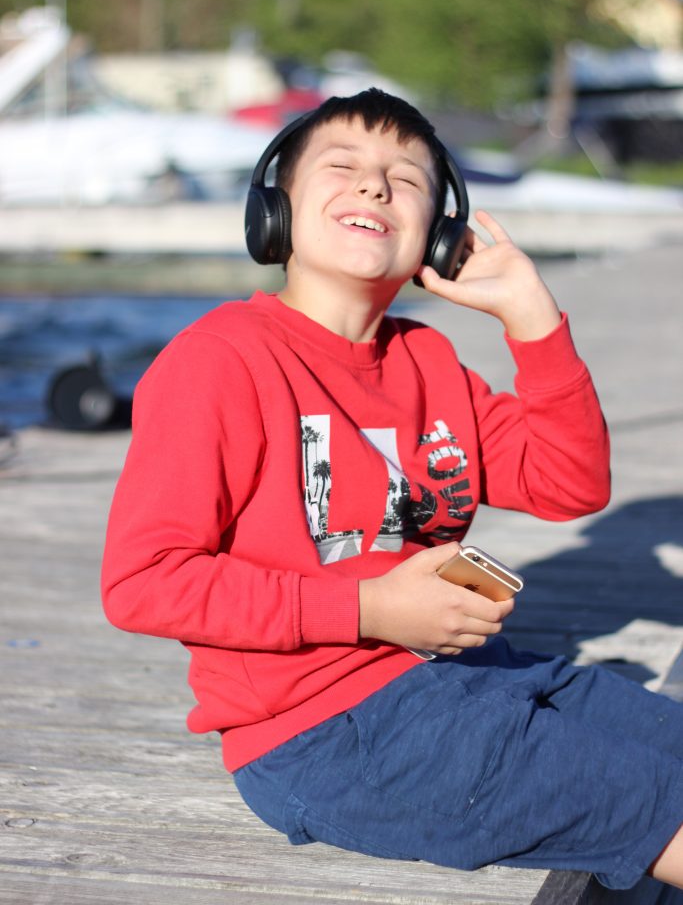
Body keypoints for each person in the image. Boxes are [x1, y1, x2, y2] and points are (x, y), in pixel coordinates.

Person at [101, 88, 683, 892]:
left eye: (406, 179)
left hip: (473, 676)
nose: (375, 185)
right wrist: (367, 608)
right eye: (342, 167)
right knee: (656, 804)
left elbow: (568, 484)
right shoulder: (220, 359)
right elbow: (142, 583)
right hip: (324, 732)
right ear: (274, 212)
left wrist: (532, 320)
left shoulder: (427, 361)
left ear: (439, 238)